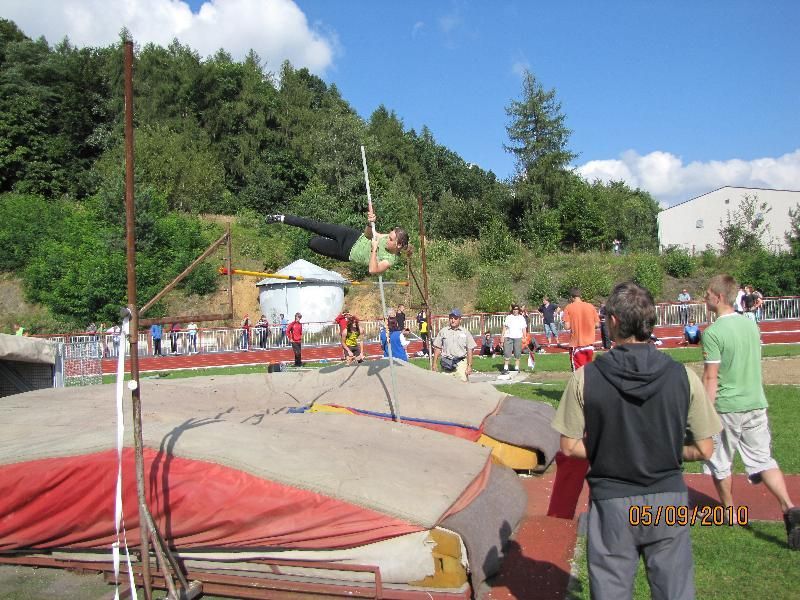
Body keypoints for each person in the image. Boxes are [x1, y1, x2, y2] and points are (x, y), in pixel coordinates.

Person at [552, 281, 721, 599]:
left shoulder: (585, 378)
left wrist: (612, 445)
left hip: (612, 503)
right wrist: (663, 446)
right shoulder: (684, 376)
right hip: (667, 500)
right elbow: (705, 448)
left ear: (614, 322)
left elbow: (569, 445)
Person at [701, 274, 799, 549]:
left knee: (720, 460)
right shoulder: (751, 325)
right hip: (756, 401)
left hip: (727, 406)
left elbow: (711, 377)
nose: (705, 298)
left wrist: (705, 412)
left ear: (719, 297)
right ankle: (788, 506)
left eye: (707, 293)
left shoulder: (713, 333)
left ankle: (730, 512)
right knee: (762, 459)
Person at [266, 210, 410, 275]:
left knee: (313, 243)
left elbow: (372, 270)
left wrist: (373, 250)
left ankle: (323, 241)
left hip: (346, 252)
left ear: (398, 245)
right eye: (389, 235)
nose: (387, 239)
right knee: (315, 225)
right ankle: (282, 218)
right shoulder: (385, 237)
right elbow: (369, 234)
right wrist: (369, 223)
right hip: (351, 236)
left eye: (391, 239)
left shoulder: (390, 260)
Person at [432, 309, 476, 382]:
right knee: (445, 384)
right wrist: (434, 363)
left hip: (460, 363)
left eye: (455, 318)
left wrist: (469, 366)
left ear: (460, 320)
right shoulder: (443, 331)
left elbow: (470, 350)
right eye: (451, 318)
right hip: (446, 362)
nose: (453, 320)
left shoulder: (465, 333)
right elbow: (437, 348)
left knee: (463, 384)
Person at [563, 288, 600, 371]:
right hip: (589, 343)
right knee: (588, 371)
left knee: (578, 373)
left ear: (572, 297)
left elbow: (567, 326)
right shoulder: (590, 306)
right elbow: (597, 324)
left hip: (576, 344)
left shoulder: (569, 307)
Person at [502, 304, 528, 374]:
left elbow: (524, 328)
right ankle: (505, 368)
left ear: (518, 310)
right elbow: (505, 327)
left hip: (518, 337)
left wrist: (525, 337)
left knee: (517, 352)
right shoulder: (508, 317)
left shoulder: (521, 318)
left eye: (516, 309)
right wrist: (502, 336)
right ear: (512, 310)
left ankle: (516, 367)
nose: (515, 311)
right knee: (507, 352)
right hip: (508, 336)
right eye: (514, 309)